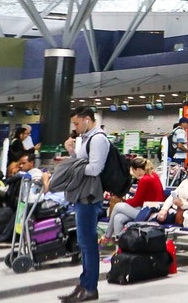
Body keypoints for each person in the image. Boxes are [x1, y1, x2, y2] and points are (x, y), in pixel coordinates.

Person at [58, 106, 110, 303]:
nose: (75, 127)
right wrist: (72, 153)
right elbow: (81, 163)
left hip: (90, 196)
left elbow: (95, 168)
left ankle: (90, 288)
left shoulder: (98, 139)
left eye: (77, 123)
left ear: (87, 120)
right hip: (83, 195)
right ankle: (84, 284)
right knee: (84, 243)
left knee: (88, 245)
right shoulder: (88, 139)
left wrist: (73, 169)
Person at [103, 157, 164, 242]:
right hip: (151, 209)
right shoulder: (153, 175)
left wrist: (124, 201)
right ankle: (120, 247)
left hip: (147, 213)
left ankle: (107, 237)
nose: (133, 174)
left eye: (133, 171)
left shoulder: (144, 180)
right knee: (118, 218)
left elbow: (136, 202)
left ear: (138, 169)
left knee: (117, 206)